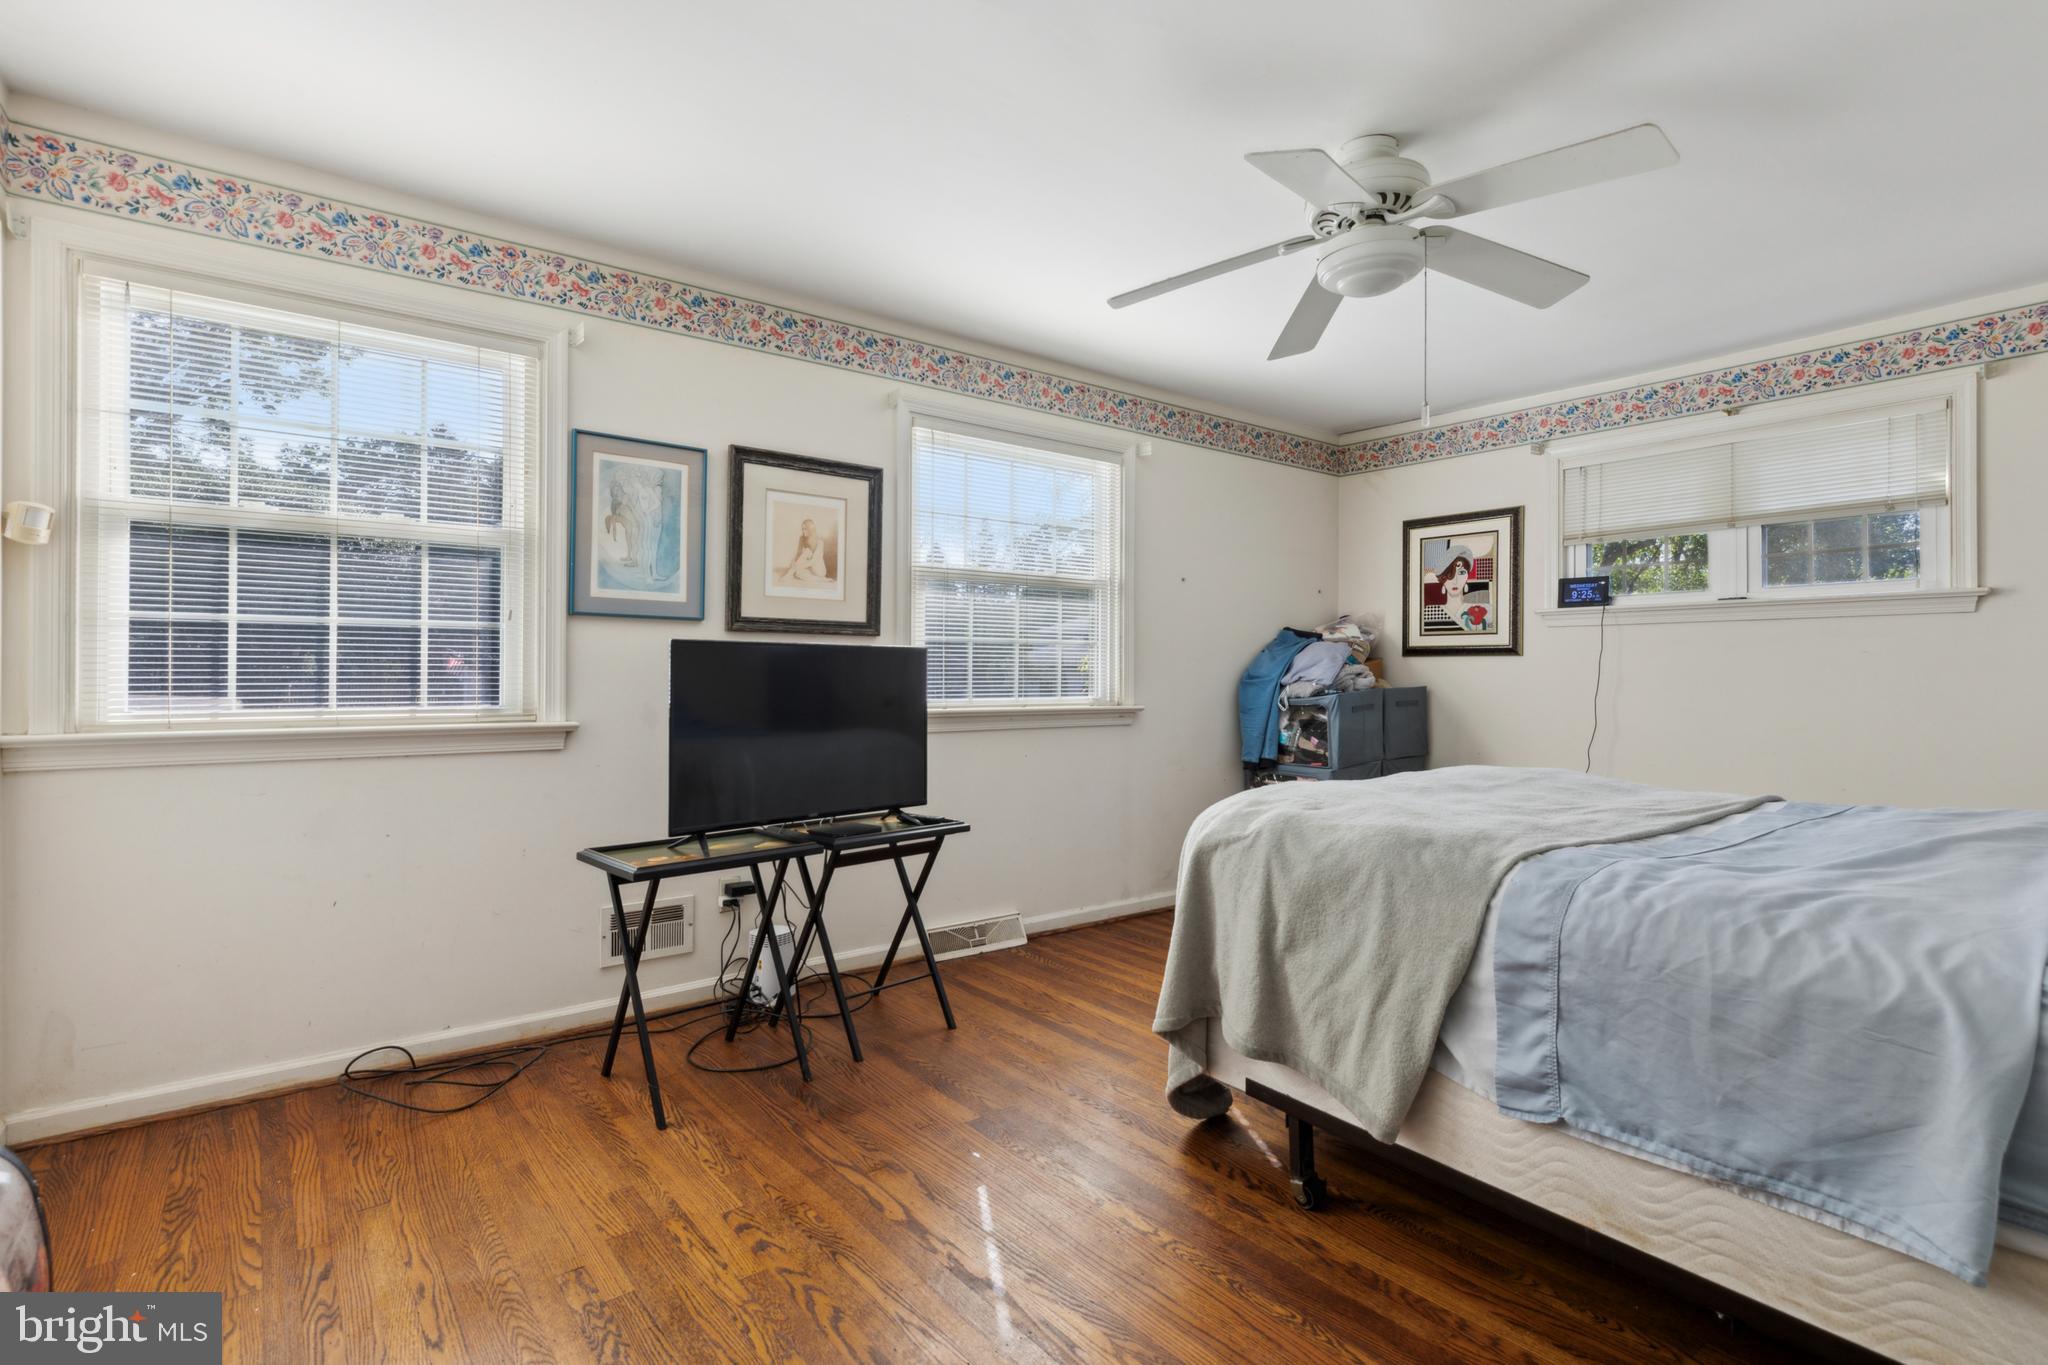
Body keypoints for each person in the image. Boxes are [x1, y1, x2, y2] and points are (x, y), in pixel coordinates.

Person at [780, 518, 830, 586]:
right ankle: (822, 580)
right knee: (798, 573)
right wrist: (792, 564)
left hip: (819, 569)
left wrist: (797, 566)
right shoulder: (802, 538)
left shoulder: (819, 542)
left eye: (805, 529)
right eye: (802, 529)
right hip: (810, 567)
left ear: (810, 529)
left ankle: (789, 575)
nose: (803, 531)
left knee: (807, 552)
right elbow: (798, 553)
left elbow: (813, 561)